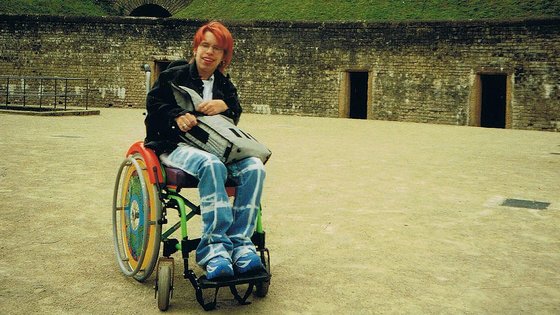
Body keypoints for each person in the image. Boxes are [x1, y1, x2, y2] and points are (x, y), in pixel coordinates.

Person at [144, 21, 265, 280]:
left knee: (255, 166)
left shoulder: (224, 85)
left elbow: (234, 115)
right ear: (196, 47)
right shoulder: (172, 76)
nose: (209, 52)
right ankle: (213, 249)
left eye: (216, 48)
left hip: (217, 147)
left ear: (224, 56)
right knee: (211, 165)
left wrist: (225, 106)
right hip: (175, 145)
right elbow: (154, 107)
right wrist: (176, 116)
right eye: (205, 45)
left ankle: (240, 242)